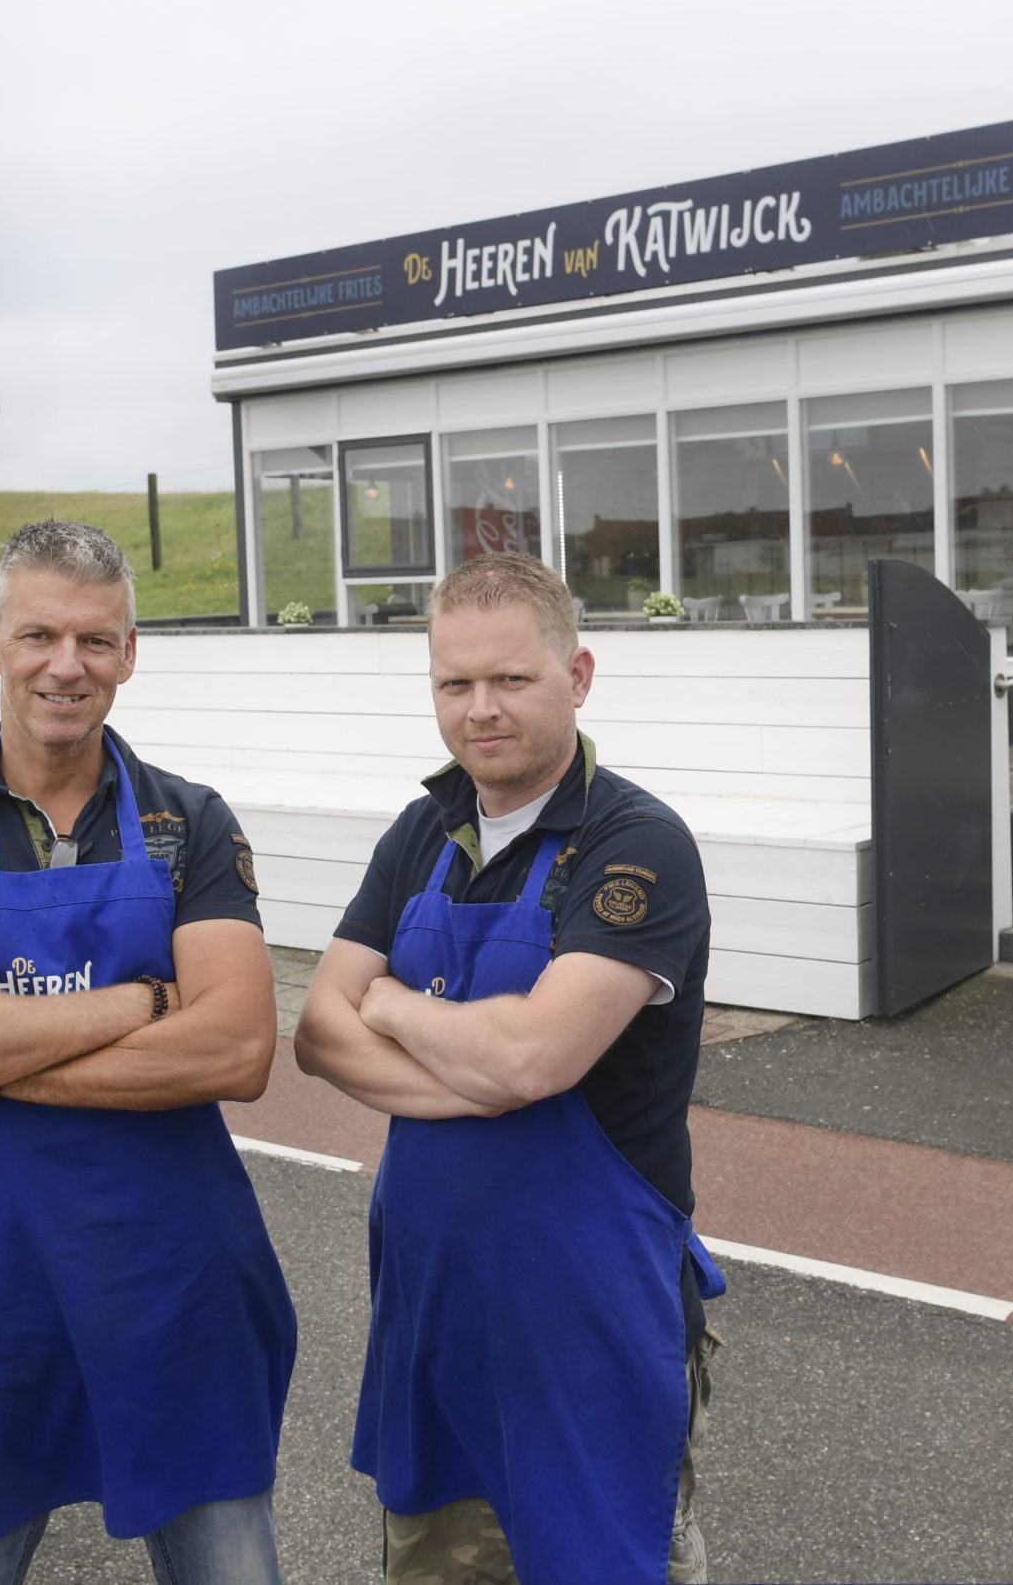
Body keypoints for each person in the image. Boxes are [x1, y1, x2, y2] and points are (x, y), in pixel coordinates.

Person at [0, 519, 295, 1585]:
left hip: (176, 1281)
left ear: (129, 655)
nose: (66, 666)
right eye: (39, 634)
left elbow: (234, 1047)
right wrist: (140, 1001)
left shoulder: (190, 823)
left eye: (96, 641)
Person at [294, 552, 722, 1585]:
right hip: (435, 1315)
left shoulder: (637, 846)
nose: (480, 710)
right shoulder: (421, 831)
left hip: (590, 1320)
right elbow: (314, 1030)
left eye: (510, 680)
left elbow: (537, 1057)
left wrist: (395, 1005)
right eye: (455, 684)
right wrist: (481, 1069)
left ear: (575, 675)